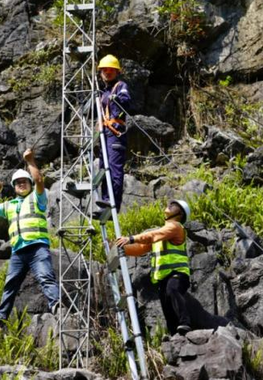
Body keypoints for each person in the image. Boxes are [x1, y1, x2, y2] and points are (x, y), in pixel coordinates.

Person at [0, 148, 59, 322]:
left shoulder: (37, 198)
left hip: (37, 247)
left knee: (45, 277)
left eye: (25, 181)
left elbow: (39, 180)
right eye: (18, 183)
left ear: (29, 184)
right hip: (18, 251)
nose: (22, 184)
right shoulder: (9, 205)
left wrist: (30, 161)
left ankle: (57, 305)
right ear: (14, 187)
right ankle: (1, 317)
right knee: (10, 285)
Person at [115, 200, 192, 335]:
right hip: (163, 277)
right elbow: (141, 249)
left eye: (173, 206)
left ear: (180, 214)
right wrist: (123, 249)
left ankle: (185, 322)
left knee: (172, 289)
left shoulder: (175, 227)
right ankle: (175, 335)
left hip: (178, 273)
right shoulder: (162, 233)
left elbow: (153, 235)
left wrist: (131, 238)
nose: (169, 205)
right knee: (166, 306)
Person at [97, 54, 131, 213]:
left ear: (117, 71)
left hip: (115, 133)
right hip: (105, 134)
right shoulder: (103, 92)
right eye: (104, 70)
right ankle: (105, 201)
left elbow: (126, 99)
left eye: (111, 70)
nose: (107, 73)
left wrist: (116, 97)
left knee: (114, 169)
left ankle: (113, 204)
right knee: (103, 169)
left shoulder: (120, 85)